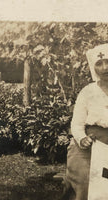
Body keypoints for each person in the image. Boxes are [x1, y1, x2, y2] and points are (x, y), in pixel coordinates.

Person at [64, 44, 108, 200]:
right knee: (83, 182)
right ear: (93, 66)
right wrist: (82, 138)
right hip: (88, 145)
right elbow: (77, 123)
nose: (104, 68)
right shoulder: (88, 91)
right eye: (99, 63)